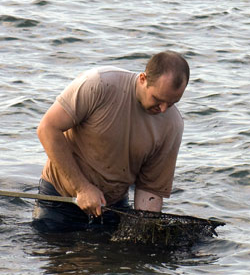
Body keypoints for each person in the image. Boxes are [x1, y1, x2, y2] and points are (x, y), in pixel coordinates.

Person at [32, 51, 189, 232]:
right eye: (157, 99)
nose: (163, 109)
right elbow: (47, 128)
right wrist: (82, 188)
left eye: (172, 103)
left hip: (112, 207)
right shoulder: (99, 84)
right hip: (59, 199)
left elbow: (150, 189)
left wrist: (145, 228)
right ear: (143, 79)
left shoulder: (172, 125)